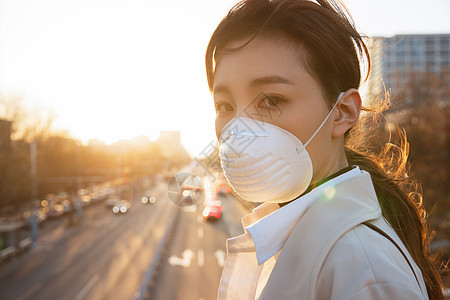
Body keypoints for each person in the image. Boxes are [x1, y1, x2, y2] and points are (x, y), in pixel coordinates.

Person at [205, 0, 445, 299]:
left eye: (272, 100)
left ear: (342, 111)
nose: (240, 130)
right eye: (224, 106)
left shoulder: (364, 272)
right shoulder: (311, 239)